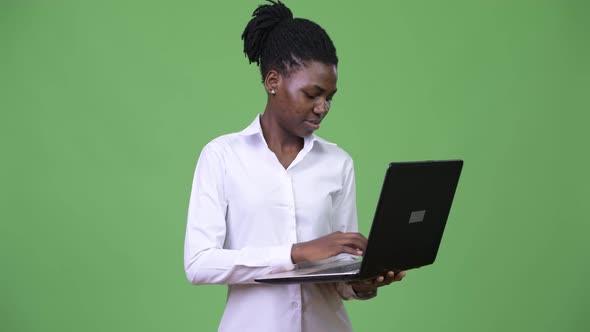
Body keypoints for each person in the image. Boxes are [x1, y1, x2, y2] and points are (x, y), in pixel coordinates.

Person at [184, 1, 406, 331]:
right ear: (273, 81)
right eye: (312, 94)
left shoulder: (338, 163)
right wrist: (296, 252)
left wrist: (362, 283)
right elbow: (200, 263)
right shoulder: (222, 156)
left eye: (330, 96)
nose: (322, 108)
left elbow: (341, 272)